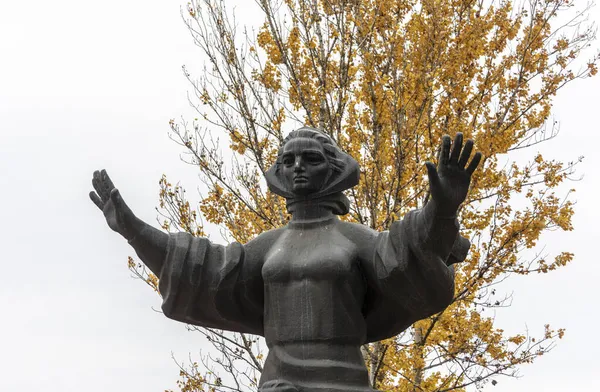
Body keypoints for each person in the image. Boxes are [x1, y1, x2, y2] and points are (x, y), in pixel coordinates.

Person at [90, 128, 481, 392]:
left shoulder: (353, 238)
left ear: (333, 169)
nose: (296, 167)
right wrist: (133, 229)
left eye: (310, 159)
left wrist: (441, 209)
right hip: (278, 382)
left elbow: (403, 254)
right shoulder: (268, 245)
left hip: (341, 380)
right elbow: (199, 269)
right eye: (288, 160)